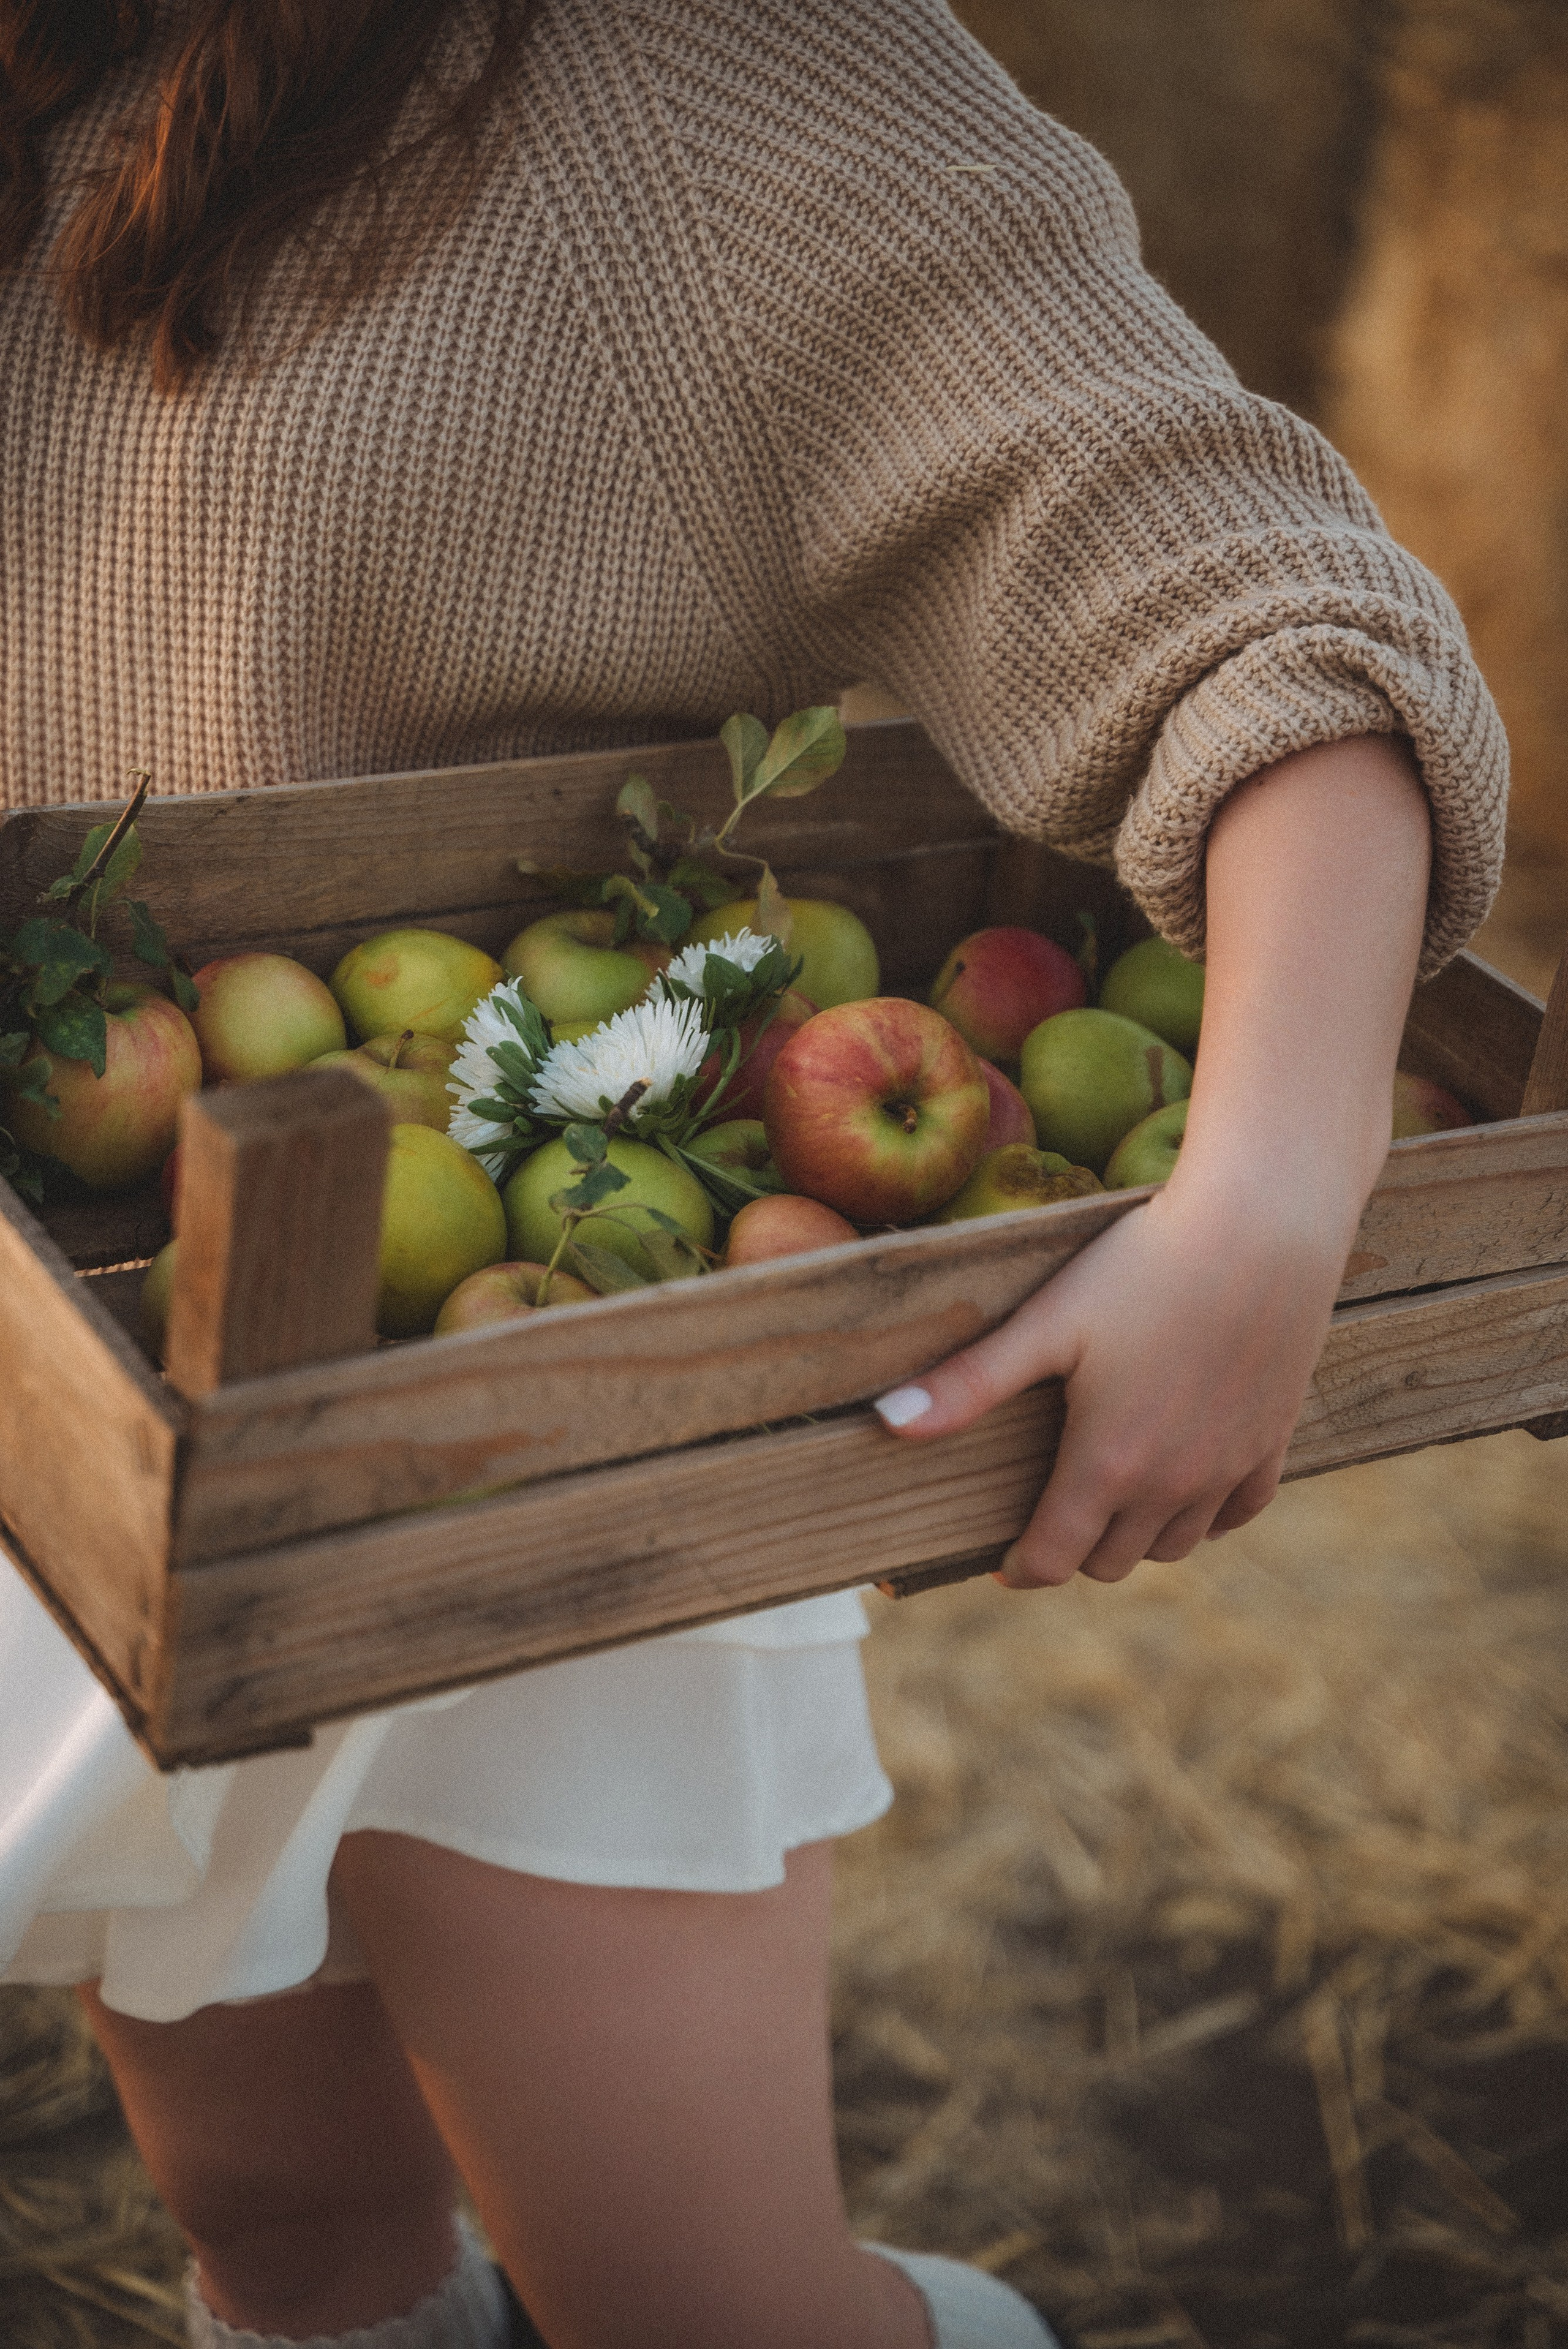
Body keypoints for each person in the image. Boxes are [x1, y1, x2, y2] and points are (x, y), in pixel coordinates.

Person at [0, 2, 1505, 2345]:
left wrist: (1268, 1208)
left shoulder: (677, 80)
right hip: (95, 1413)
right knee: (283, 2239)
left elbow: (1275, 619)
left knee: (698, 2307)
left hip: (544, 1450)